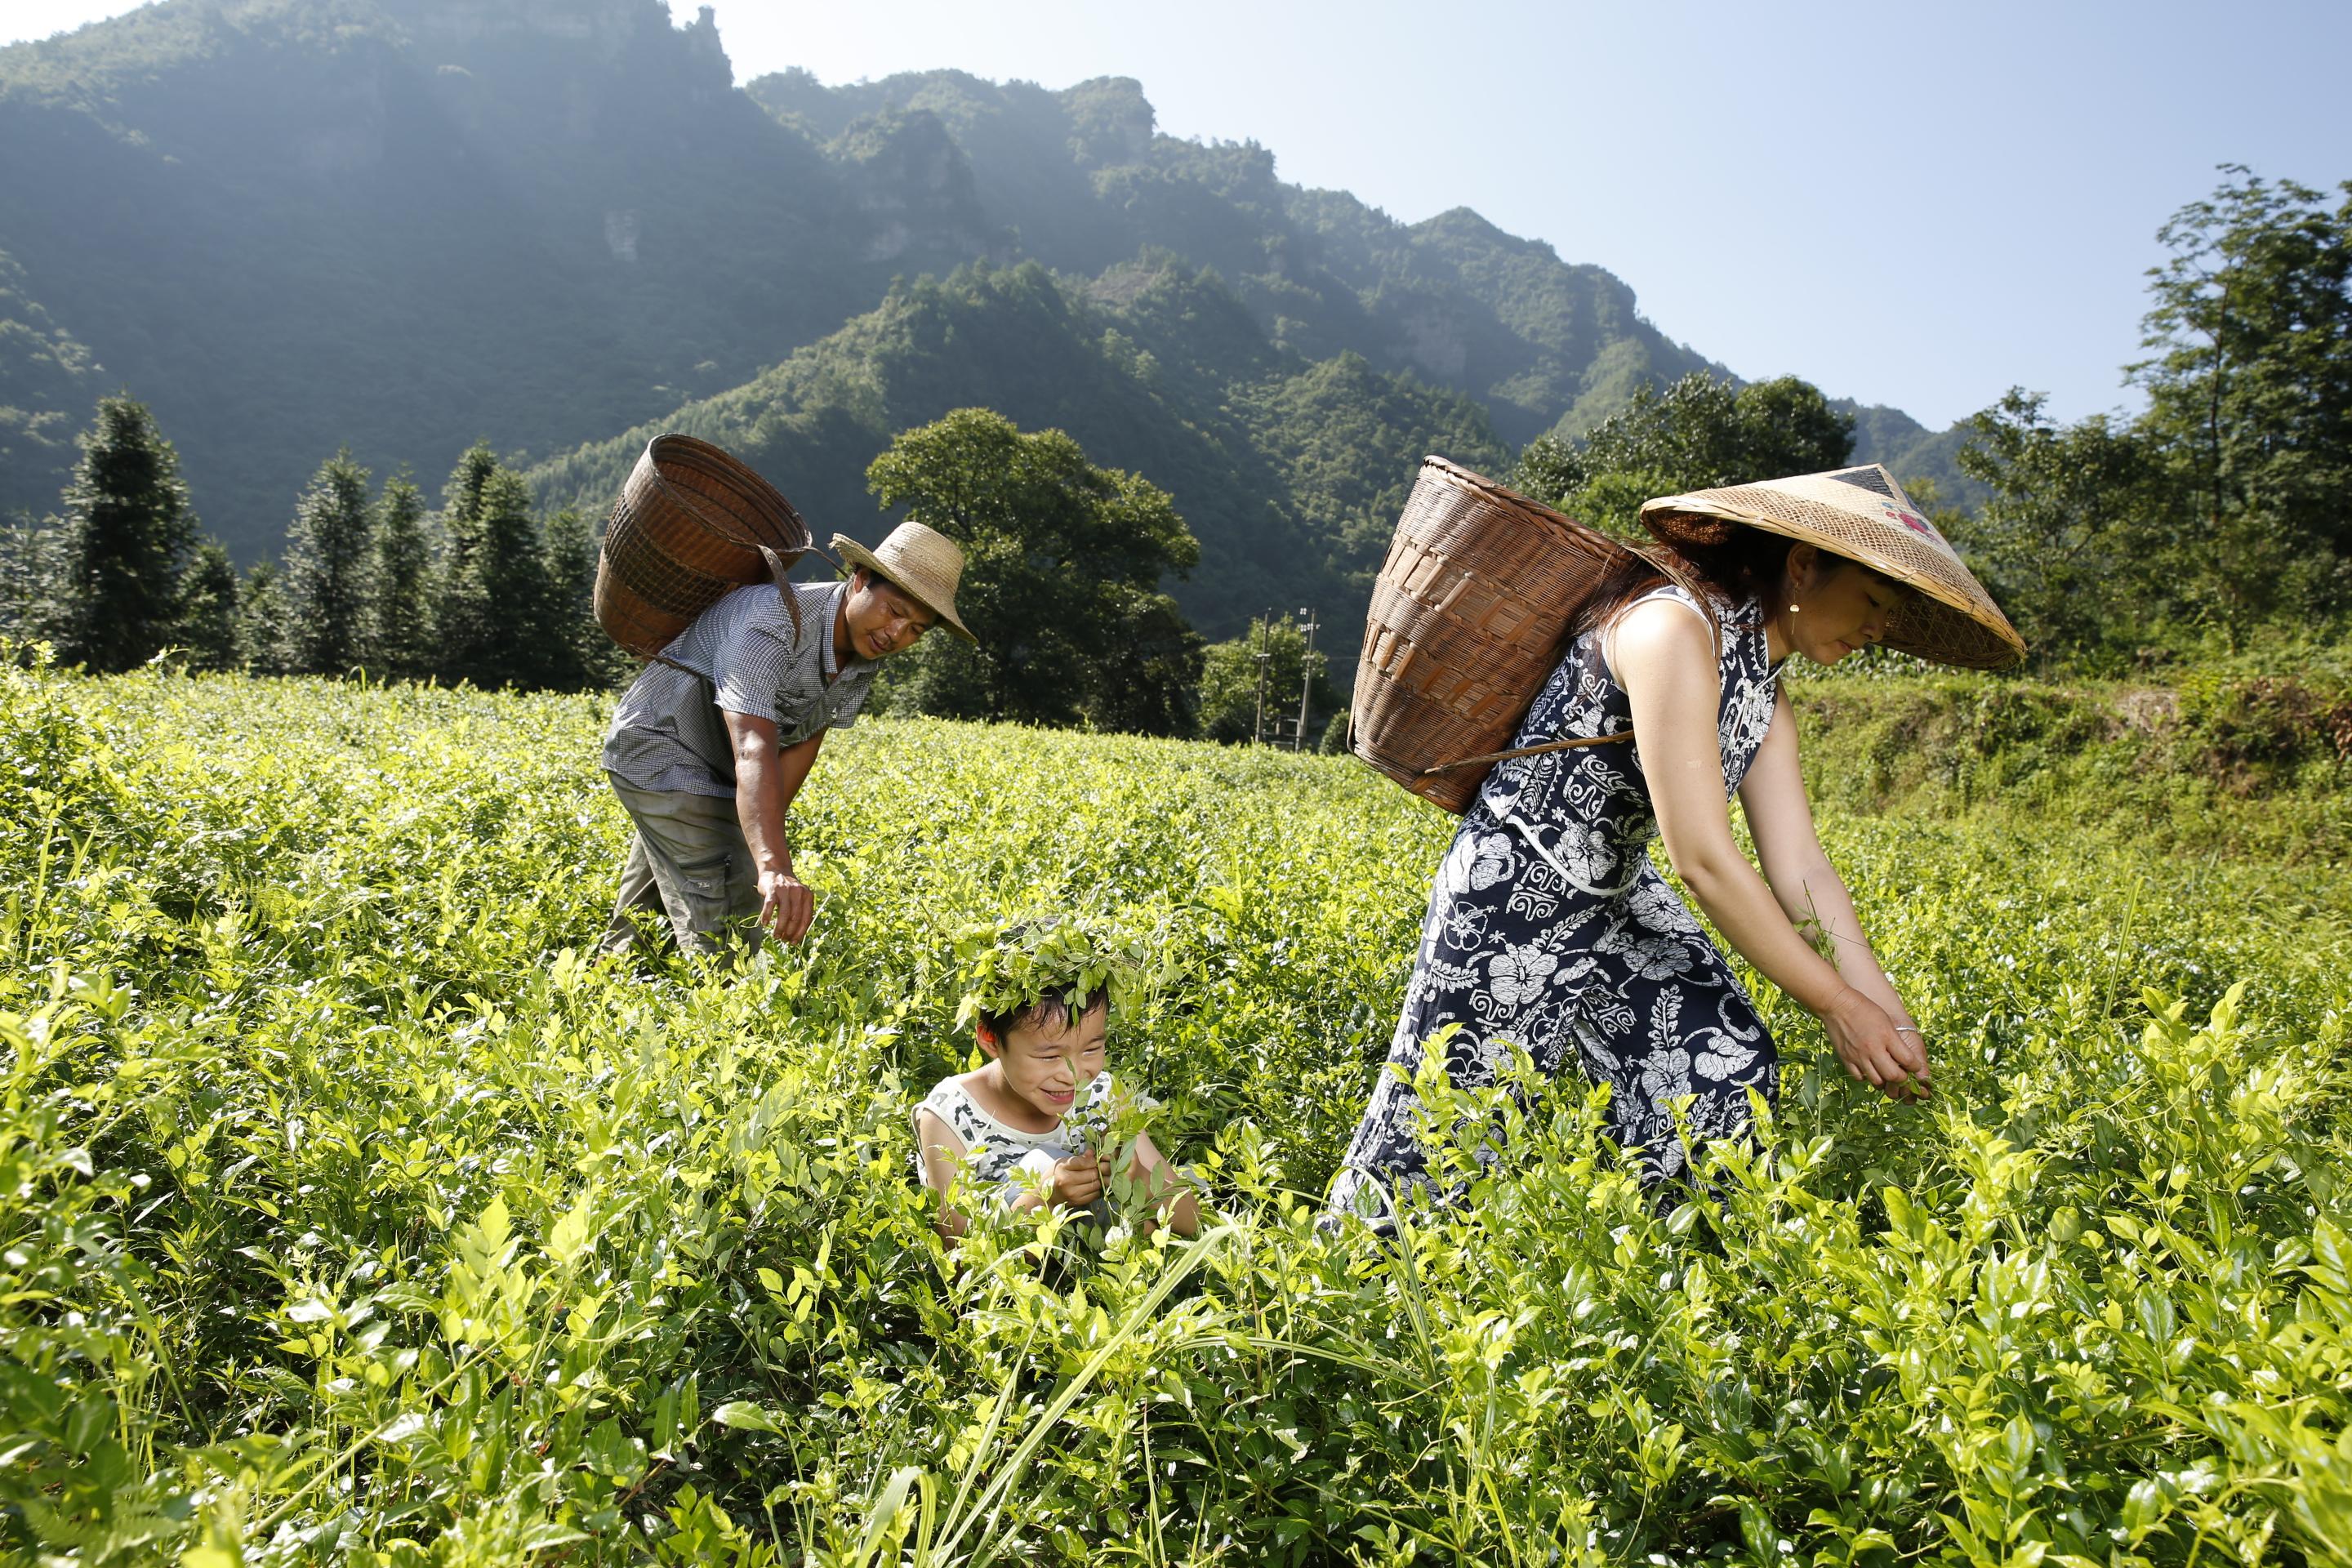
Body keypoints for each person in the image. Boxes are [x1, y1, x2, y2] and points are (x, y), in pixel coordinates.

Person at [1329, 465, 2025, 1225]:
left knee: (1724, 1070)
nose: (1878, 631)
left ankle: (1653, 1268)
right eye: (1872, 601)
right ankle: (1320, 1303)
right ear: (1804, 566)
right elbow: (1703, 859)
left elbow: (1800, 866)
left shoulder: (1764, 686)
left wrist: (1875, 1000)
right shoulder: (1670, 627)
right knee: (1443, 1136)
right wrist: (1832, 1003)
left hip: (1617, 892)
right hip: (1514, 893)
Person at [599, 520, 973, 959]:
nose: (897, 635)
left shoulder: (863, 657)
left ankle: (610, 978)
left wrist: (755, 837)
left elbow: (804, 741)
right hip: (661, 746)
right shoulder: (772, 619)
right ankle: (730, 1016)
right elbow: (753, 745)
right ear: (859, 581)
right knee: (730, 914)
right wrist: (772, 866)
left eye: (915, 629)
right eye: (894, 610)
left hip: (717, 768)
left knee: (656, 910)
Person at [912, 965, 1199, 1244]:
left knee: (1148, 1220)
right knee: (1038, 1164)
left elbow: (1192, 1221)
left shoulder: (1104, 1095)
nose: (1071, 1075)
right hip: (1019, 1274)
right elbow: (960, 1261)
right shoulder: (950, 1114)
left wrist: (1133, 1175)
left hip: (1103, 1262)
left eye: (1091, 1049)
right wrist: (1045, 1197)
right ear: (991, 1040)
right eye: (1049, 1057)